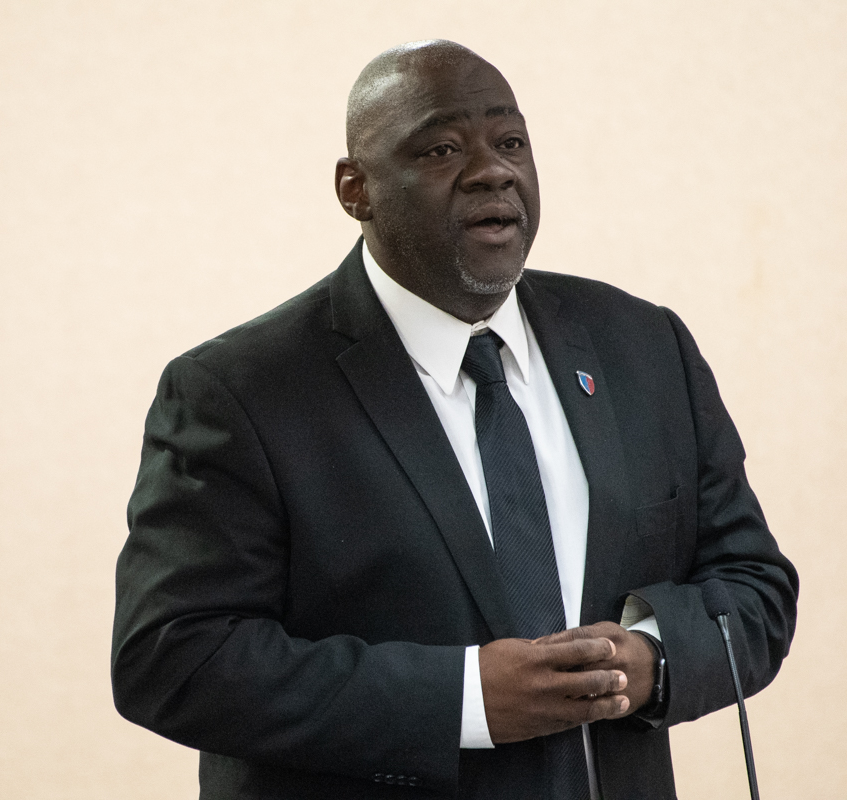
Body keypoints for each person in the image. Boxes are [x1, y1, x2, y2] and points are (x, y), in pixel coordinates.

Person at [111, 40, 798, 800]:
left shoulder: (643, 345)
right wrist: (464, 700)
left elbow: (753, 585)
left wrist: (654, 658)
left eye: (511, 143)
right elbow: (174, 657)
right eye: (441, 149)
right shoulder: (237, 390)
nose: (491, 171)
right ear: (355, 189)